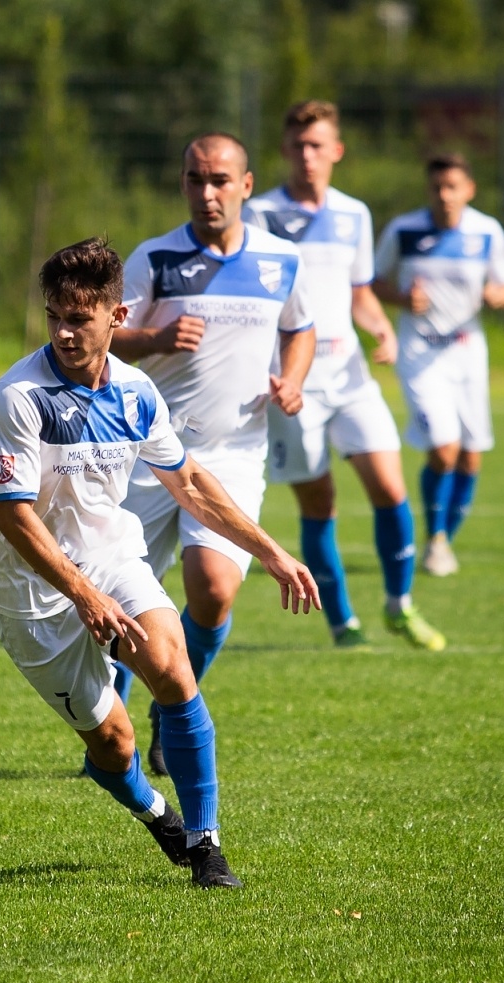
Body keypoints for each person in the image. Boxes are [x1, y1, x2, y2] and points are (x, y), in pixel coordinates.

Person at [0, 236, 320, 889]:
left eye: (79, 318)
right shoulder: (18, 396)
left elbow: (189, 481)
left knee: (171, 665)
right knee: (113, 743)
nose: (64, 331)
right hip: (32, 593)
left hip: (112, 558)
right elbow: (15, 517)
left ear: (119, 316)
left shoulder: (137, 392)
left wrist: (270, 549)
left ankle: (206, 844)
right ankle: (153, 808)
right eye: (54, 314)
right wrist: (81, 594)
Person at [110, 133, 315, 772]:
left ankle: (176, 707)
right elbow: (103, 338)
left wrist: (294, 380)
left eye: (220, 180)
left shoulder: (281, 261)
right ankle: (111, 743)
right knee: (115, 598)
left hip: (229, 455)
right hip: (144, 454)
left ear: (246, 185)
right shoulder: (157, 258)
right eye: (196, 180)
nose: (207, 192)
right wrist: (158, 336)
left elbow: (299, 328)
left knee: (214, 587)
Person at [244, 101, 445, 651]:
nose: (308, 156)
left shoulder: (355, 214)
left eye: (318, 145)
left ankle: (400, 605)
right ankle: (342, 625)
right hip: (292, 383)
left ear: (336, 151)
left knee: (390, 487)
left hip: (350, 374)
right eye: (298, 146)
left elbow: (359, 293)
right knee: (320, 505)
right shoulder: (259, 214)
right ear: (286, 151)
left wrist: (383, 330)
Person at [373, 153, 504, 577]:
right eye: (437, 187)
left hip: (468, 350)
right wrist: (402, 299)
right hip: (420, 353)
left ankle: (443, 541)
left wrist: (499, 296)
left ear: (469, 190)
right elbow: (371, 281)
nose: (444, 195)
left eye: (452, 187)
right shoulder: (404, 230)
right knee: (444, 448)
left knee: (471, 457)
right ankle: (435, 540)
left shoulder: (486, 231)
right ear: (428, 190)